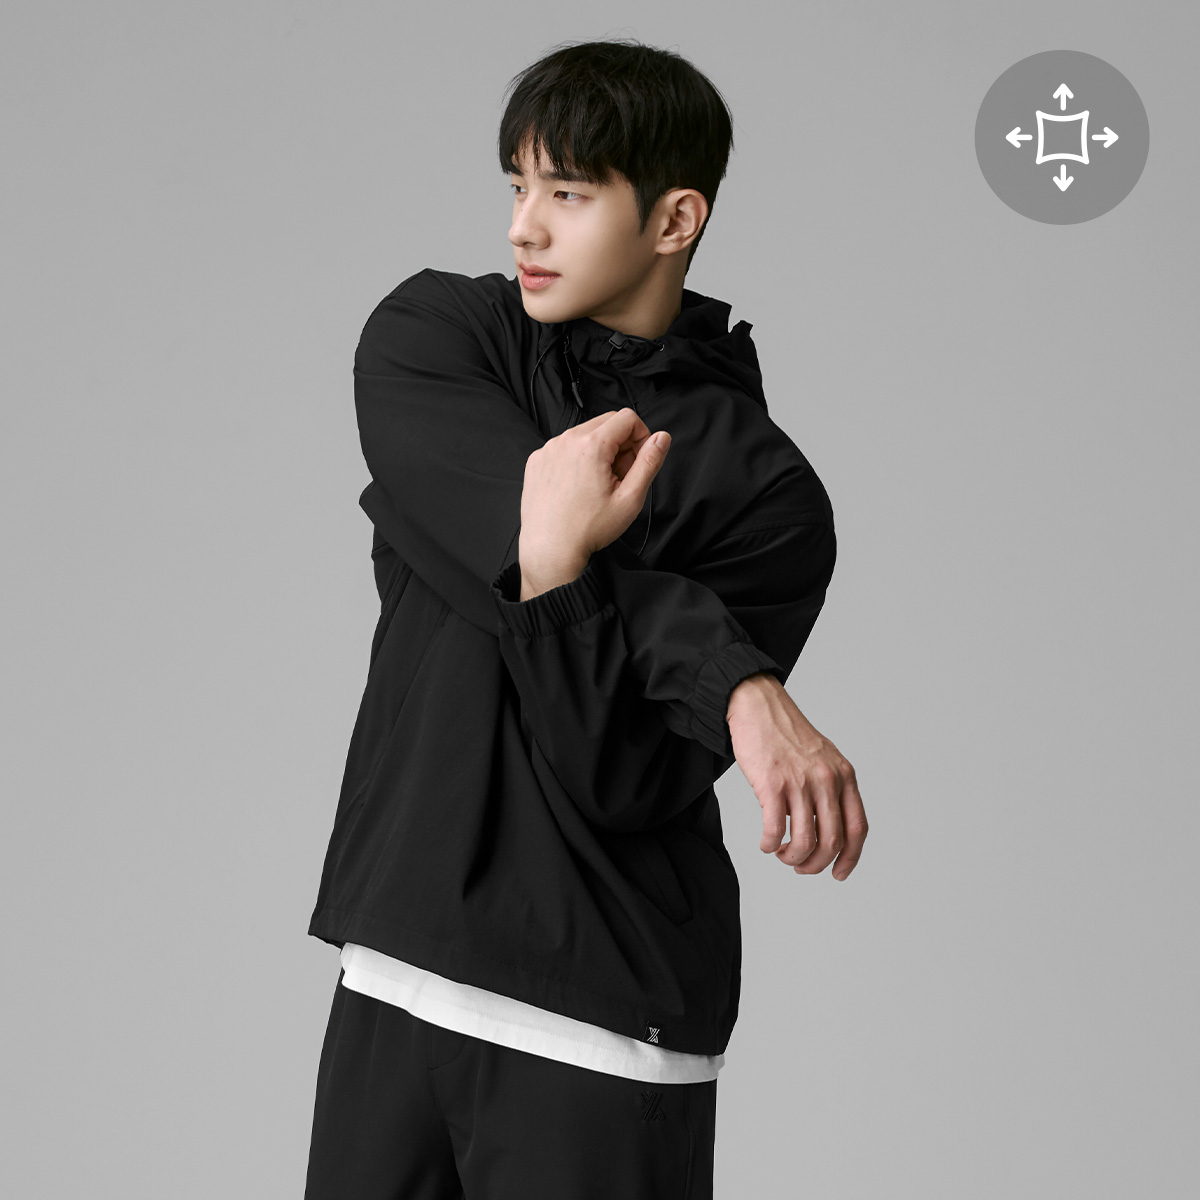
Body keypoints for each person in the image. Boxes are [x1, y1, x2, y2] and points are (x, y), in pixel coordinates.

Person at [303, 37, 867, 1200]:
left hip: (605, 1019)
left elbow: (618, 774)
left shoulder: (766, 496)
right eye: (518, 185)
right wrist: (731, 674)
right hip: (396, 972)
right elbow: (496, 543)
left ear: (674, 220)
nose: (525, 226)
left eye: (567, 193)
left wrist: (561, 565)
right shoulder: (439, 338)